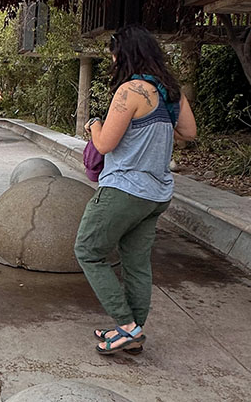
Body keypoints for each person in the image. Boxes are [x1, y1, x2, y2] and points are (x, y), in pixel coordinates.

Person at [74, 24, 197, 355]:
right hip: (157, 193)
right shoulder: (172, 92)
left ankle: (126, 326)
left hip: (124, 190)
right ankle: (133, 331)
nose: (112, 60)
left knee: (88, 250)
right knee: (137, 263)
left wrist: (93, 125)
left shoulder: (130, 91)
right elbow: (189, 132)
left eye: (114, 53)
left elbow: (105, 143)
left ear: (125, 54)